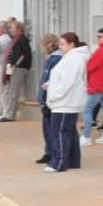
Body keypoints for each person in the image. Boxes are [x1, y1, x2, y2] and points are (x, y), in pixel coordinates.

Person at [44, 33, 88, 173]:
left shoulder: (74, 59)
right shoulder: (70, 58)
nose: (60, 47)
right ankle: (72, 160)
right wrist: (50, 84)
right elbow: (62, 77)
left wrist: (55, 95)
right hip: (66, 101)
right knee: (69, 132)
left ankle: (59, 162)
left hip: (65, 102)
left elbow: (68, 81)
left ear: (72, 44)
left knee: (60, 132)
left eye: (63, 44)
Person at [35, 34, 63, 166]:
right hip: (45, 99)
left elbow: (50, 81)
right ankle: (48, 152)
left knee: (51, 129)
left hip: (50, 100)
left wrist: (45, 99)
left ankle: (53, 153)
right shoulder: (51, 59)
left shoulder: (56, 59)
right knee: (46, 129)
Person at [0, 20, 33, 123]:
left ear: (19, 30)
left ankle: (10, 114)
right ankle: (7, 112)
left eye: (13, 29)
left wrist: (15, 64)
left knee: (13, 91)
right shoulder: (14, 40)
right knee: (9, 89)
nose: (11, 31)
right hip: (11, 66)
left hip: (17, 67)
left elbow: (23, 55)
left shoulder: (22, 40)